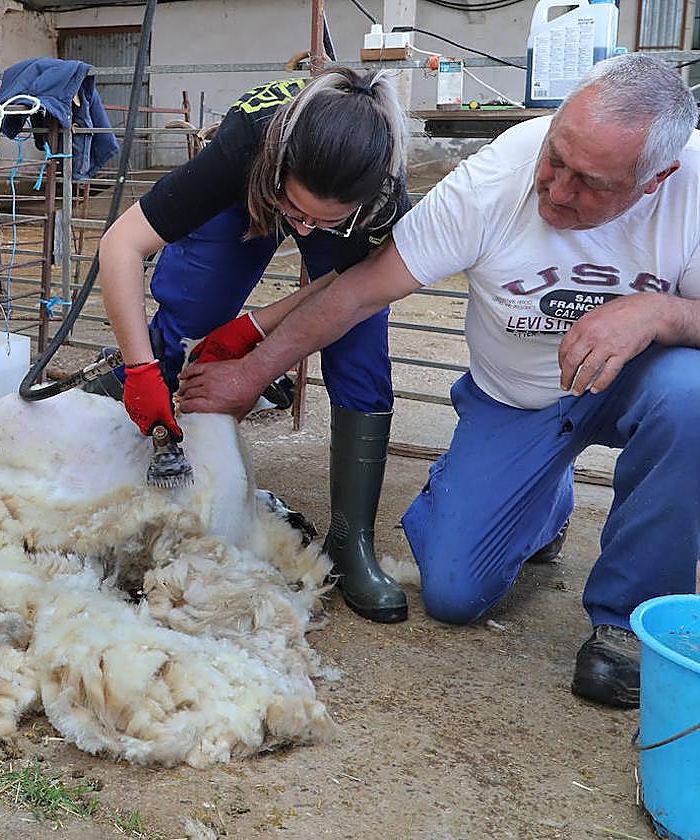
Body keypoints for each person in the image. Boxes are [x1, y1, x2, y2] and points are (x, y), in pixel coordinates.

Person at [177, 53, 700, 710]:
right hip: (518, 400)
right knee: (454, 593)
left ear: (656, 179)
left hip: (638, 385)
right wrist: (253, 371)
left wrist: (660, 313)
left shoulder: (694, 190)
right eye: (556, 157)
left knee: (690, 395)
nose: (558, 189)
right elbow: (361, 291)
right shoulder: (495, 181)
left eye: (590, 183)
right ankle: (543, 501)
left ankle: (629, 622)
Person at [94, 67, 412, 624]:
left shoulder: (382, 199)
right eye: (297, 214)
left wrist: (257, 339)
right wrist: (140, 368)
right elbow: (121, 243)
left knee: (359, 351)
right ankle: (130, 426)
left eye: (322, 220)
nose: (304, 230)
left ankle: (350, 539)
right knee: (196, 307)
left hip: (334, 218)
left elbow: (345, 287)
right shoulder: (245, 146)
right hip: (248, 188)